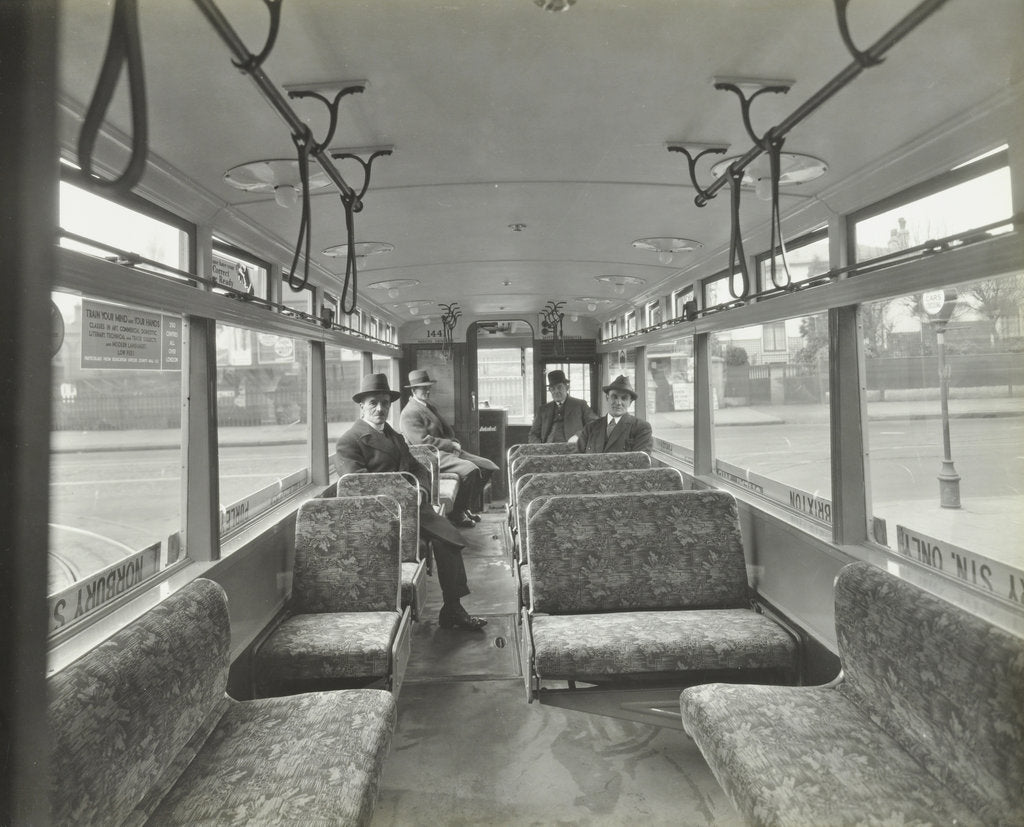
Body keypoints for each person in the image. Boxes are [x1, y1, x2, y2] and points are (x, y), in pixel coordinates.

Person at [335, 373, 487, 631]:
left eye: (385, 403)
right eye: (374, 403)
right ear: (361, 406)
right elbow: (357, 488)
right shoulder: (349, 442)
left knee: (450, 538)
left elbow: (418, 469)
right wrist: (404, 497)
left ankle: (453, 607)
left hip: (415, 507)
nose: (380, 409)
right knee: (445, 536)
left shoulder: (393, 436)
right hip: (381, 516)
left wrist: (421, 491)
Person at [399, 369, 499, 528]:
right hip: (429, 456)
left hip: (446, 451)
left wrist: (454, 443)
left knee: (488, 466)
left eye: (428, 386)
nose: (427, 390)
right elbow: (422, 442)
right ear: (413, 390)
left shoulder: (428, 406)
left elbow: (445, 431)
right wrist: (450, 444)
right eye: (422, 387)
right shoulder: (409, 413)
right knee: (471, 470)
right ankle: (457, 513)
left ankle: (464, 507)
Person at [576, 374, 653, 454]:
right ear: (607, 398)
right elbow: (577, 458)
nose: (618, 402)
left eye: (624, 398)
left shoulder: (641, 428)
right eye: (614, 397)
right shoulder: (590, 428)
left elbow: (640, 461)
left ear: (630, 402)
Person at [527, 369, 599, 445]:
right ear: (550, 391)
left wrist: (578, 436)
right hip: (547, 450)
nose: (556, 391)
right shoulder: (543, 410)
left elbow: (595, 424)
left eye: (559, 387)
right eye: (553, 388)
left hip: (572, 449)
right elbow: (533, 434)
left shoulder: (580, 405)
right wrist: (539, 448)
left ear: (567, 387)